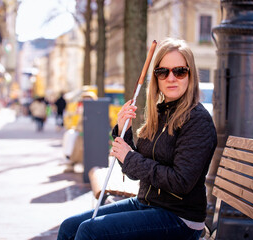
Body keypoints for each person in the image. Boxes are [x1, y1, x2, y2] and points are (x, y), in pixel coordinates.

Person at [57, 37, 217, 240]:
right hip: (147, 204)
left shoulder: (197, 121)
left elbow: (180, 181)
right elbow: (136, 172)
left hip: (180, 218)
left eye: (179, 71)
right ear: (156, 77)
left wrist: (129, 156)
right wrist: (125, 132)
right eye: (163, 72)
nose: (171, 78)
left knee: (89, 231)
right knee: (70, 227)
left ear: (190, 75)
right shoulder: (161, 113)